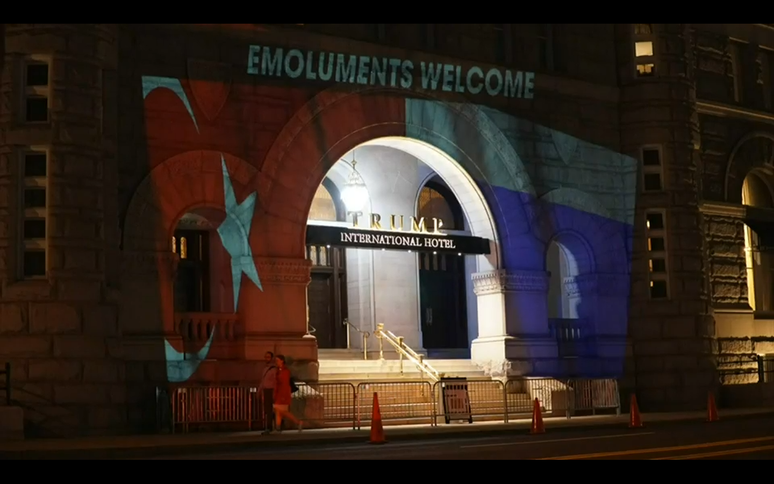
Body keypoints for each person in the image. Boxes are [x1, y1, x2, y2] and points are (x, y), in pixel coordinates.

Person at [272, 354, 302, 432]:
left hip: (283, 393)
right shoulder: (278, 370)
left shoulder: (285, 371)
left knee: (281, 411)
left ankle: (297, 422)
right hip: (279, 393)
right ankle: (278, 427)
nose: (276, 362)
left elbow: (285, 384)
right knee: (278, 411)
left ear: (282, 361)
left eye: (278, 360)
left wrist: (283, 395)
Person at [258, 351, 277, 435]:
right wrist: (259, 390)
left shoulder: (274, 369)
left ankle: (270, 427)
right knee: (267, 410)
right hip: (265, 390)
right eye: (266, 357)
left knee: (269, 410)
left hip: (270, 390)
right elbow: (263, 381)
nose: (266, 359)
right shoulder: (265, 369)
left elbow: (275, 381)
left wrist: (274, 392)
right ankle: (269, 426)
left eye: (268, 357)